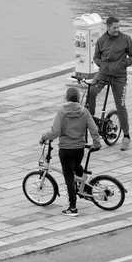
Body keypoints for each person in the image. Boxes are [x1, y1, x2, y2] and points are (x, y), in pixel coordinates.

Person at [40, 87, 101, 217]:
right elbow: (93, 129)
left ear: (67, 98)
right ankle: (84, 187)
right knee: (76, 166)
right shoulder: (84, 112)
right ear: (78, 98)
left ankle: (72, 208)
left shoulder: (62, 112)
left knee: (68, 178)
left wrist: (44, 137)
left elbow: (55, 132)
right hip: (79, 149)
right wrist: (96, 144)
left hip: (66, 150)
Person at [88, 16, 132, 151]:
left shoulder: (125, 39)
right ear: (108, 28)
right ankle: (90, 117)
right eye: (114, 28)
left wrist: (124, 64)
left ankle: (126, 136)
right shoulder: (101, 41)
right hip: (104, 73)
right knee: (91, 91)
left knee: (120, 105)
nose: (117, 30)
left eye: (118, 27)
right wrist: (101, 65)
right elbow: (96, 57)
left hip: (119, 76)